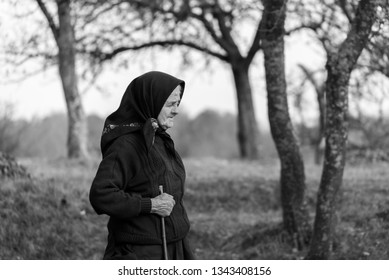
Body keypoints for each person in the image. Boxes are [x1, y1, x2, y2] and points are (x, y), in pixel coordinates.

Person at [89, 71, 194, 260]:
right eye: (170, 104)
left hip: (175, 248)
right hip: (140, 254)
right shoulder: (126, 145)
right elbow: (101, 194)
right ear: (151, 102)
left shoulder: (160, 139)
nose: (176, 110)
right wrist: (150, 205)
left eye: (177, 103)